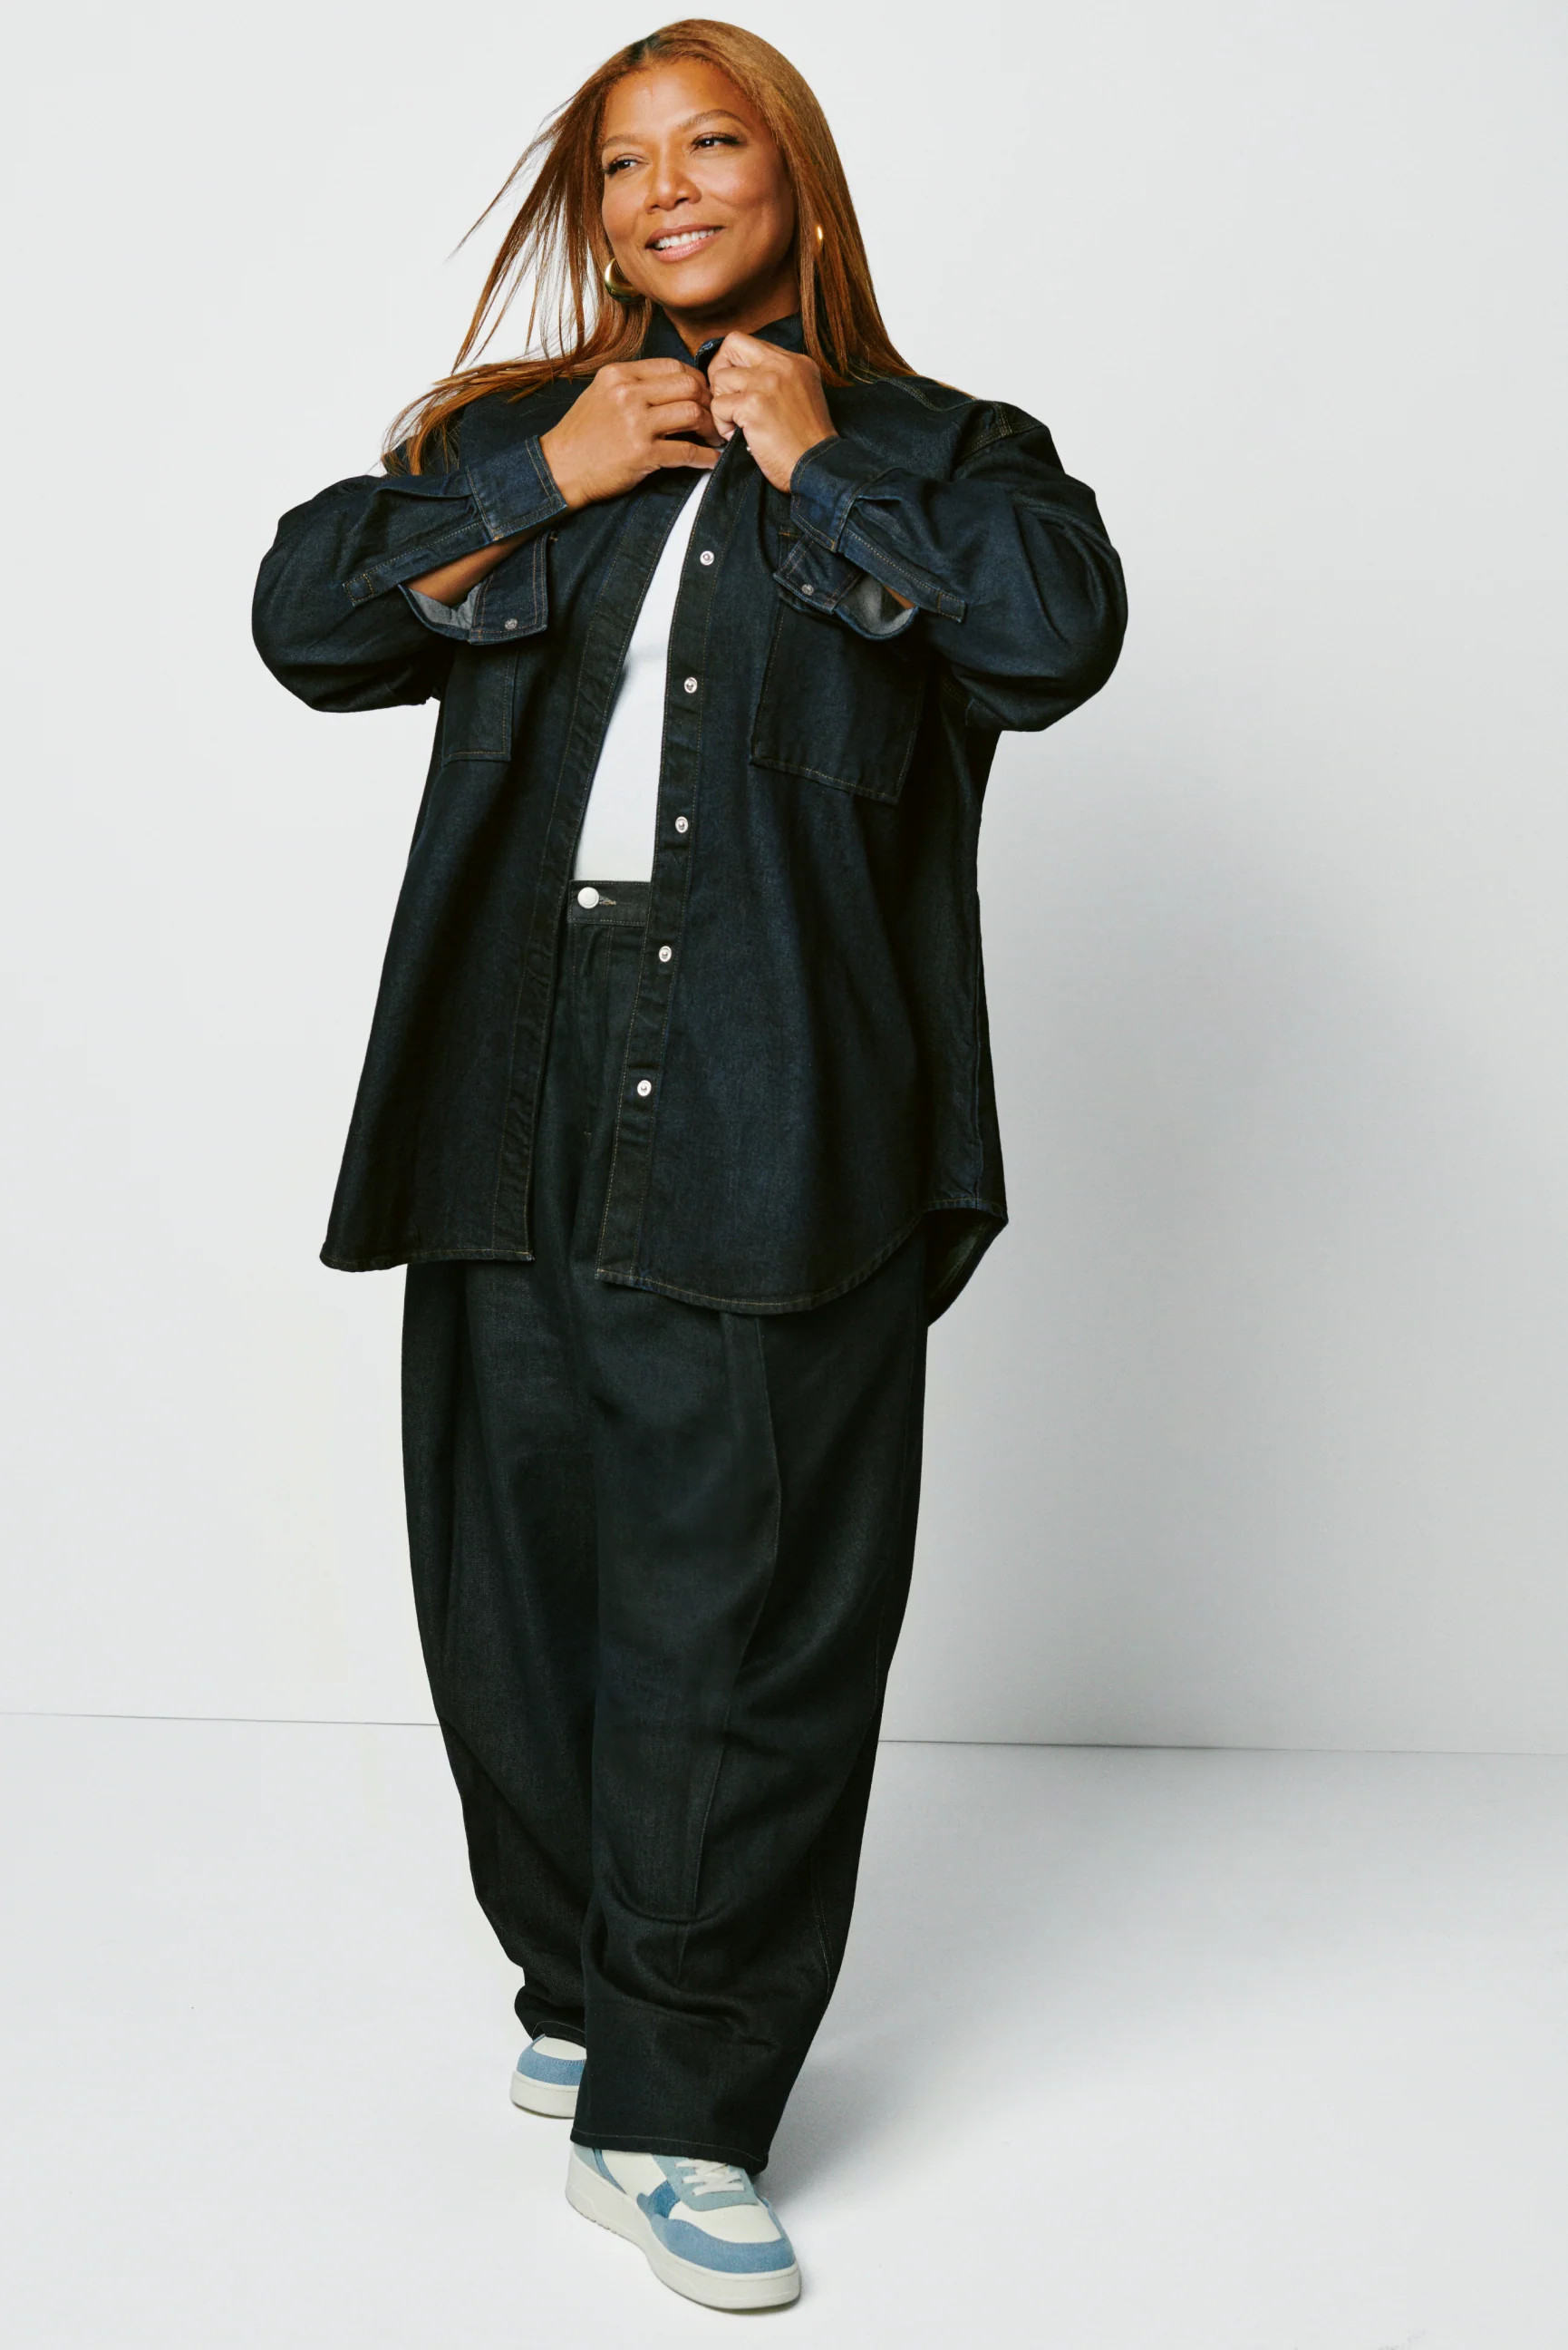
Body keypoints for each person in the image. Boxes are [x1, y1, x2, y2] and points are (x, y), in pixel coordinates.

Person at [253, 17, 1125, 2313]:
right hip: (506, 1055)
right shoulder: (507, 436)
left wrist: (818, 461)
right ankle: (584, 1990)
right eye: (623, 163)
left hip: (774, 1060)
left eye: (709, 143)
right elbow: (304, 622)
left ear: (792, 181)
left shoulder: (945, 451)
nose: (664, 190)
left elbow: (1050, 642)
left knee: (744, 1604)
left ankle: (678, 2100)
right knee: (516, 1569)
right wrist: (546, 475)